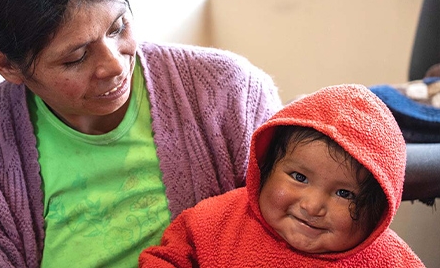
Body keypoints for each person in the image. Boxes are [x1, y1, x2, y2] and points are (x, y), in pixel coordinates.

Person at [0, 0, 282, 267]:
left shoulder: (228, 90)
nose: (115, 65)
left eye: (119, 27)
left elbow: (293, 234)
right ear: (6, 66)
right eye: (75, 58)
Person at [139, 84, 425, 267]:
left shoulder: (387, 259)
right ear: (266, 168)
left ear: (378, 210)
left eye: (344, 193)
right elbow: (166, 259)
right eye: (299, 177)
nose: (312, 206)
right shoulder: (217, 221)